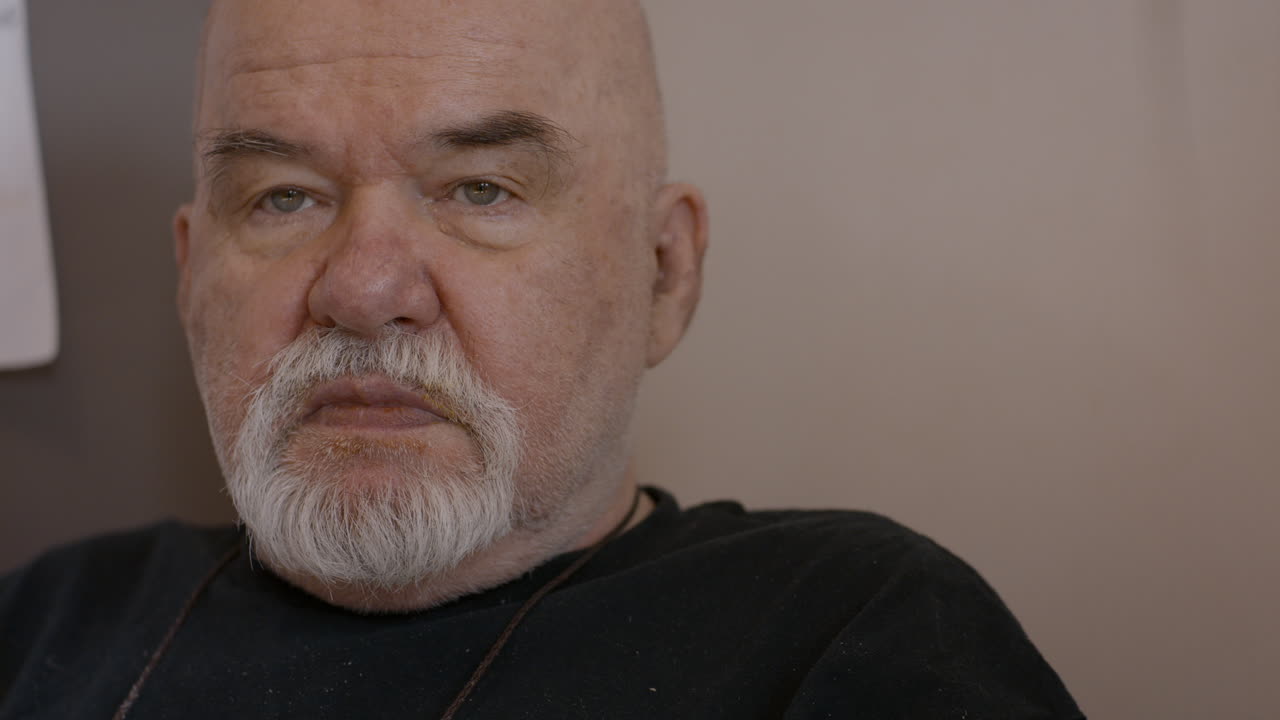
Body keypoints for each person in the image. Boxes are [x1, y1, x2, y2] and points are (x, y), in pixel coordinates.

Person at [0, 1, 1084, 717]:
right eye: (284, 197)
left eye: (481, 190)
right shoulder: (42, 621)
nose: (365, 290)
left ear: (664, 273)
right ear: (192, 281)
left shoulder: (854, 633)